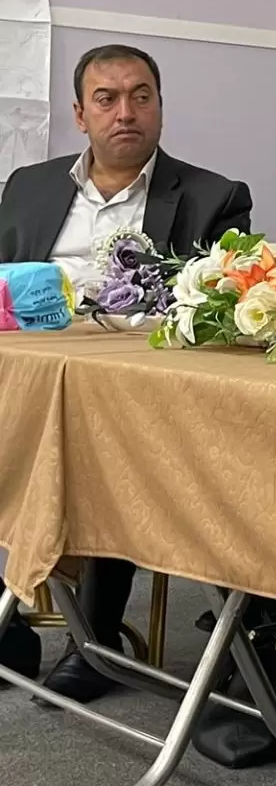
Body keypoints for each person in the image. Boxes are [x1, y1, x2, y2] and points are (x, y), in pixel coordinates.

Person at [0, 44, 252, 701]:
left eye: (142, 97)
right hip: (28, 373)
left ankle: (97, 639)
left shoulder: (214, 197)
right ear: (80, 114)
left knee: (109, 436)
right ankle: (9, 629)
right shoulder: (28, 187)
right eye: (107, 99)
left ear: (160, 108)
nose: (126, 112)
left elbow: (218, 307)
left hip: (133, 385)